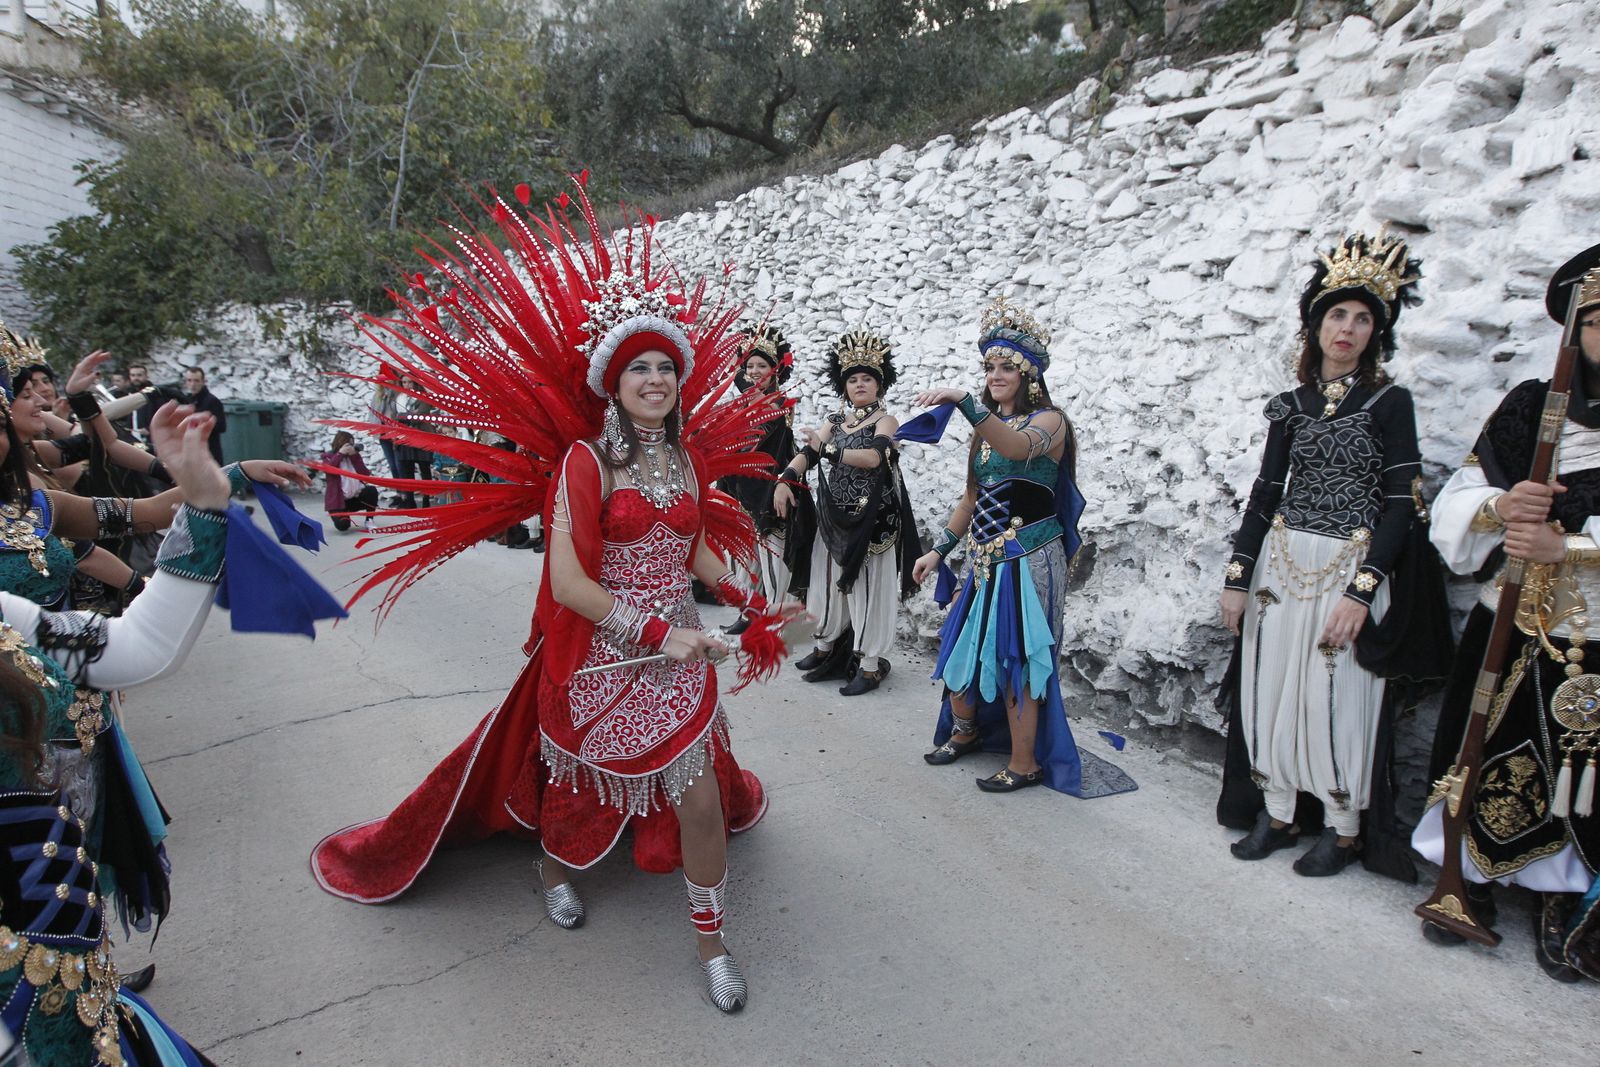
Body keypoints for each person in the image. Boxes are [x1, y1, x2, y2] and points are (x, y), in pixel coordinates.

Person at [311, 177, 791, 1012]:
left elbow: (695, 543)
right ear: (612, 380)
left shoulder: (683, 460)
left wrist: (741, 597)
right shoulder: (584, 463)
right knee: (579, 802)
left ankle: (712, 941)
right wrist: (653, 628)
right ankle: (551, 869)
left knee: (702, 795)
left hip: (678, 658)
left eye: (665, 368)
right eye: (638, 366)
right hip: (601, 656)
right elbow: (568, 581)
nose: (654, 379)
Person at [1218, 231, 1432, 877]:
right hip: (1280, 566)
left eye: (1363, 317)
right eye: (1337, 313)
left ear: (1377, 333)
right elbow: (1264, 496)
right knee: (1270, 690)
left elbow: (1401, 501)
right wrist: (1236, 576)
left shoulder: (1390, 404)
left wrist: (1363, 590)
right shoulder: (1290, 407)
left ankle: (1342, 828)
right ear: (1316, 324)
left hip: (1347, 567)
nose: (1348, 327)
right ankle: (1278, 811)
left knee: (1335, 700)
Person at [1413, 246, 1600, 982]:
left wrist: (1571, 546)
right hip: (1512, 622)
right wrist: (1500, 505)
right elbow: (1457, 501)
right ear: (1575, 330)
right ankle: (1472, 877)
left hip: (1591, 634)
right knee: (1484, 754)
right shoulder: (1532, 404)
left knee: (1579, 774)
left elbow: (1565, 543)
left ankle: (1563, 898)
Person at [906, 297, 1131, 797]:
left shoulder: (1051, 422)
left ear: (1030, 374)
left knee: (1018, 658)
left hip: (1029, 559)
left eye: (1007, 366)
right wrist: (938, 551)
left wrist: (967, 402)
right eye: (989, 366)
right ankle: (966, 732)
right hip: (985, 558)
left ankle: (1025, 761)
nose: (996, 374)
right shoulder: (984, 436)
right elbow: (971, 497)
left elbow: (1015, 447)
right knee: (963, 647)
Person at [774, 329, 918, 696]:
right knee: (827, 585)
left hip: (873, 521)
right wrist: (787, 476)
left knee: (868, 590)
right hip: (833, 516)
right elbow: (809, 453)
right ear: (844, 385)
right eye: (852, 379)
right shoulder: (835, 421)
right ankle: (827, 647)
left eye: (867, 378)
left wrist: (831, 451)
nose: (859, 384)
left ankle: (869, 666)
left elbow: (873, 458)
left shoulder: (887, 421)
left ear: (879, 384)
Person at [718, 324, 812, 634]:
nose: (755, 371)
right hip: (740, 490)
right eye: (750, 366)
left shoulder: (782, 405)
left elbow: (759, 443)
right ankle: (748, 614)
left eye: (762, 365)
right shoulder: (738, 405)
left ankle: (775, 619)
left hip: (771, 491)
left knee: (773, 559)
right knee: (744, 560)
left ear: (774, 370)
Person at [319, 431, 379, 532]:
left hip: (354, 498)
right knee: (343, 526)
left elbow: (365, 474)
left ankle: (369, 520)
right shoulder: (328, 456)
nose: (350, 447)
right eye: (348, 444)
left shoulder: (354, 457)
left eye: (352, 444)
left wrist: (354, 456)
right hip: (338, 501)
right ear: (340, 443)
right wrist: (340, 454)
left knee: (371, 491)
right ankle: (344, 514)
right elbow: (329, 470)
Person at [178, 367, 227, 464]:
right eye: (189, 380)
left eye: (196, 381)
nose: (192, 384)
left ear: (203, 381)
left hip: (209, 452)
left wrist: (198, 425)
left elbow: (221, 426)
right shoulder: (187, 400)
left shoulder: (212, 401)